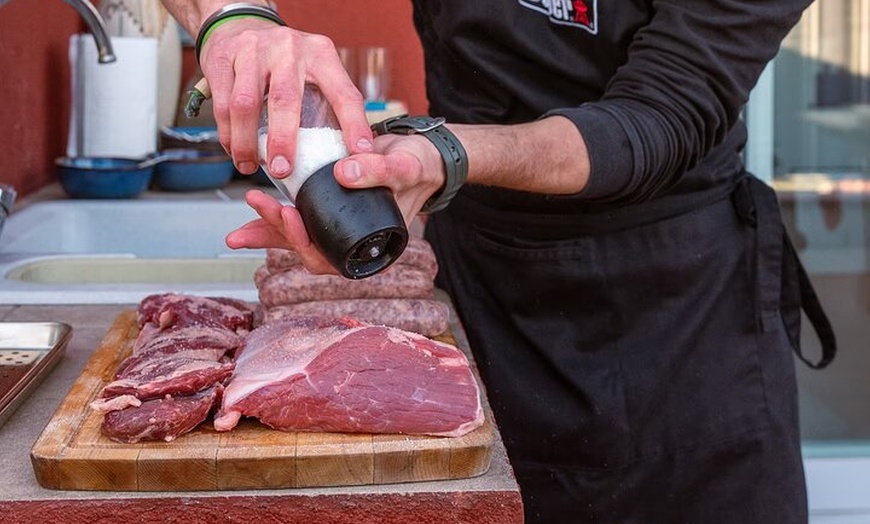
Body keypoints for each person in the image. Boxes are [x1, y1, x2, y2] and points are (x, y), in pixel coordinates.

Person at [159, 1, 837, 522]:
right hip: (485, 283)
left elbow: (658, 121)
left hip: (678, 319)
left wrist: (442, 154)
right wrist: (232, 21)